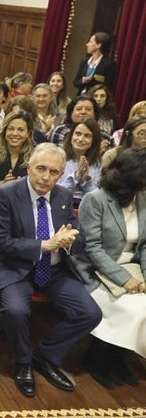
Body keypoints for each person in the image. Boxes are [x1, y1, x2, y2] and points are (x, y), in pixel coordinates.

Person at [0, 143, 102, 397]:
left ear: (60, 175)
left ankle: (45, 356)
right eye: (41, 169)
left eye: (54, 172)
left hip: (54, 270)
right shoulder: (7, 194)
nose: (46, 177)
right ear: (29, 168)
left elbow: (78, 240)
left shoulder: (63, 196)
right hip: (16, 268)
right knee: (15, 310)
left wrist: (70, 240)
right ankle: (23, 362)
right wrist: (44, 245)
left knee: (90, 313)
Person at [75, 148, 146, 388]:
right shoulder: (95, 199)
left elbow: (144, 246)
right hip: (98, 269)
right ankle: (97, 359)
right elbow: (93, 248)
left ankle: (119, 358)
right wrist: (124, 278)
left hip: (133, 267)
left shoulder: (142, 199)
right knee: (132, 310)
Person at [0, 111, 35, 206]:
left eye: (21, 130)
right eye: (11, 129)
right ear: (4, 131)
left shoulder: (35, 157)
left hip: (26, 207)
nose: (15, 133)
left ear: (28, 134)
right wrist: (1, 184)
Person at [60, 118, 102, 208]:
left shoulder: (97, 164)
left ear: (94, 140)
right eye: (78, 134)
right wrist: (75, 177)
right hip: (61, 205)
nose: (80, 139)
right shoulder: (58, 158)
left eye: (87, 136)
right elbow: (55, 192)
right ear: (71, 135)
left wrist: (86, 180)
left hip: (87, 208)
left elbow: (96, 199)